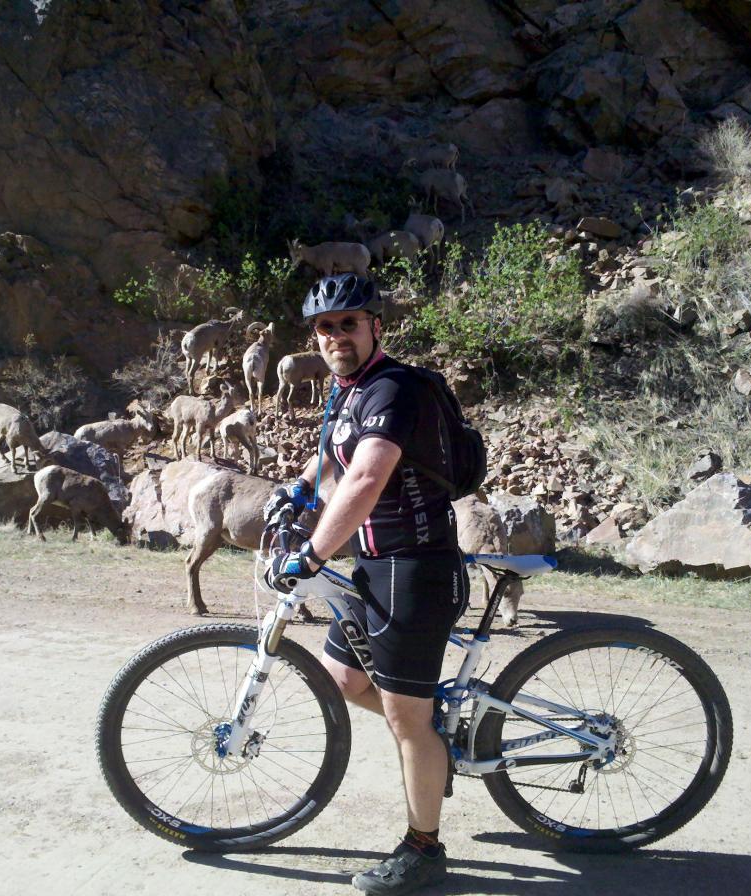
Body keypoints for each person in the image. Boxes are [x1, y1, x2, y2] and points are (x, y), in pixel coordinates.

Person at [265, 273, 469, 896]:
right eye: (325, 328)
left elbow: (365, 478)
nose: (335, 336)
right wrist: (296, 491)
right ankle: (434, 749)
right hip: (375, 567)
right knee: (344, 679)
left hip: (417, 568)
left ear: (375, 325)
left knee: (408, 719)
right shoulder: (348, 392)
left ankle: (425, 849)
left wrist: (310, 552)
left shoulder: (393, 387)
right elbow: (334, 457)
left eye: (347, 323)